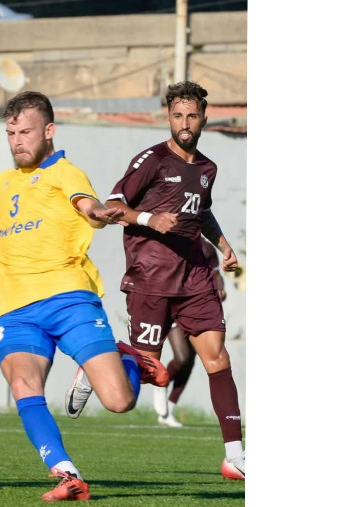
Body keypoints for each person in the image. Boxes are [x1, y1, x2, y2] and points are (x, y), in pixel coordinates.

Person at [0, 91, 167, 502]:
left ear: (48, 131)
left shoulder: (67, 172)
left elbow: (88, 205)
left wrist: (100, 212)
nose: (17, 142)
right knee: (23, 384)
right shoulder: (5, 182)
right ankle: (67, 474)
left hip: (69, 298)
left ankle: (129, 358)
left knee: (119, 401)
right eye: (11, 133)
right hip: (16, 309)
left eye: (25, 132)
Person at [74, 80, 245, 481]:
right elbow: (112, 207)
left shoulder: (207, 168)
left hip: (195, 279)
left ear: (204, 117)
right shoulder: (150, 160)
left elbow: (200, 213)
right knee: (142, 378)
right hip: (150, 278)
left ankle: (235, 455)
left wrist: (224, 247)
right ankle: (102, 358)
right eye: (177, 115)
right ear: (168, 117)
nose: (185, 123)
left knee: (217, 358)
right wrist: (150, 218)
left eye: (192, 115)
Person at [153, 238, 227, 428]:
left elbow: (216, 273)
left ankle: (168, 411)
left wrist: (221, 289)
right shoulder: (171, 243)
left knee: (191, 362)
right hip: (172, 306)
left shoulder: (207, 247)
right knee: (182, 357)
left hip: (197, 308)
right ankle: (161, 384)